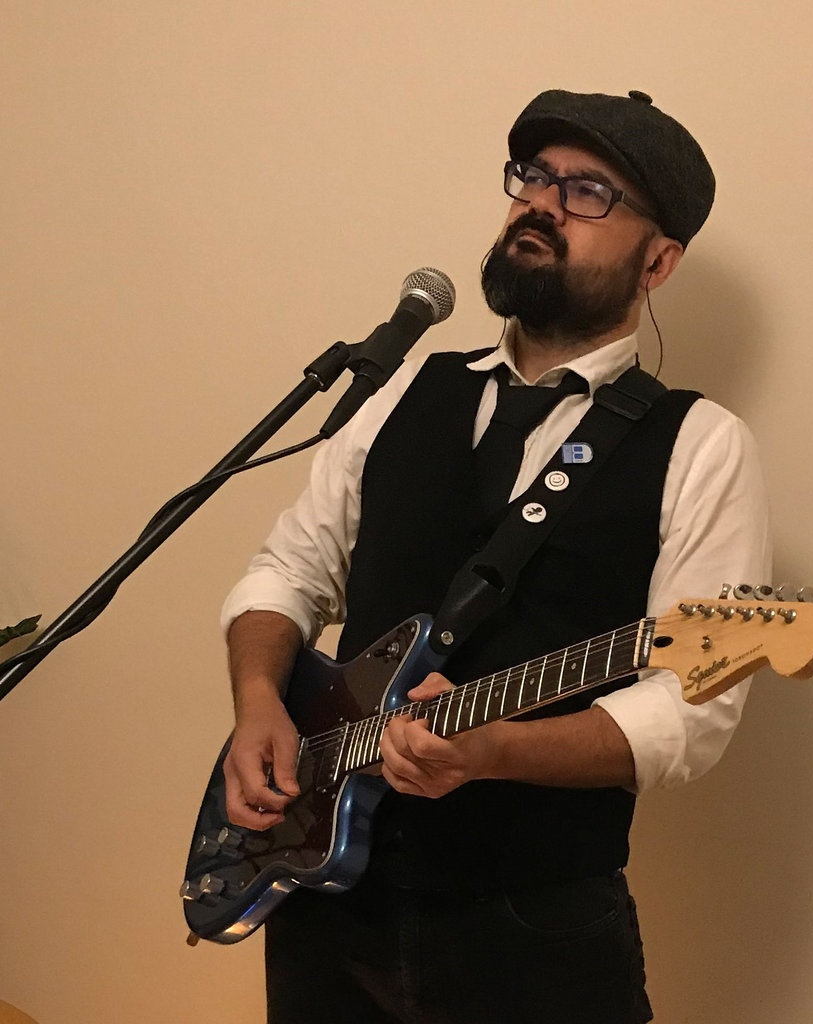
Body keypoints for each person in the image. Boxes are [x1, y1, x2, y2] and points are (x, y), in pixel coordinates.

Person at [220, 88, 771, 1024]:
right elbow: (288, 572)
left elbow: (689, 713)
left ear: (659, 261)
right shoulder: (399, 391)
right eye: (533, 177)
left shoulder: (702, 444)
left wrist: (495, 749)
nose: (542, 205)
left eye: (589, 192)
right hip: (321, 900)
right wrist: (258, 704)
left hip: (533, 929)